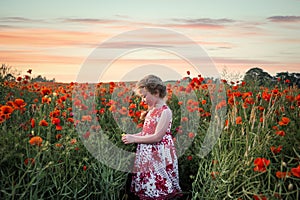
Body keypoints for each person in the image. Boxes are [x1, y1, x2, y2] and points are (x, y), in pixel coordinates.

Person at [122, 75, 182, 200]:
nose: (143, 100)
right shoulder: (151, 111)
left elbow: (157, 137)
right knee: (148, 182)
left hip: (158, 155)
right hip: (147, 154)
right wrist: (131, 136)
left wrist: (134, 139)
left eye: (144, 96)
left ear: (156, 92)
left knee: (158, 182)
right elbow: (146, 133)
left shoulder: (165, 111)